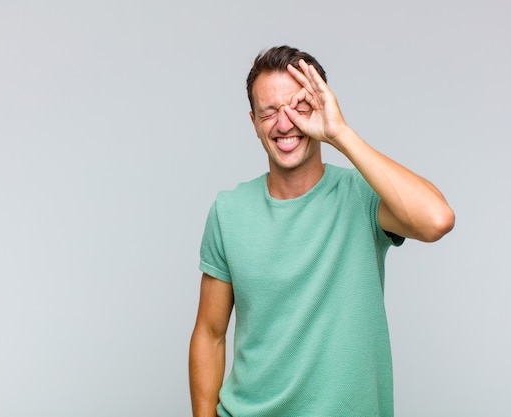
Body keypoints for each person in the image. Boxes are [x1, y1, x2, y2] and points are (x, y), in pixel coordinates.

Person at [189, 45, 455, 417]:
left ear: (320, 107)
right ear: (253, 123)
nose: (284, 124)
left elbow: (437, 219)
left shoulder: (363, 196)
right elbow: (210, 333)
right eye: (269, 112)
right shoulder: (228, 211)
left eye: (299, 108)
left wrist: (340, 133)